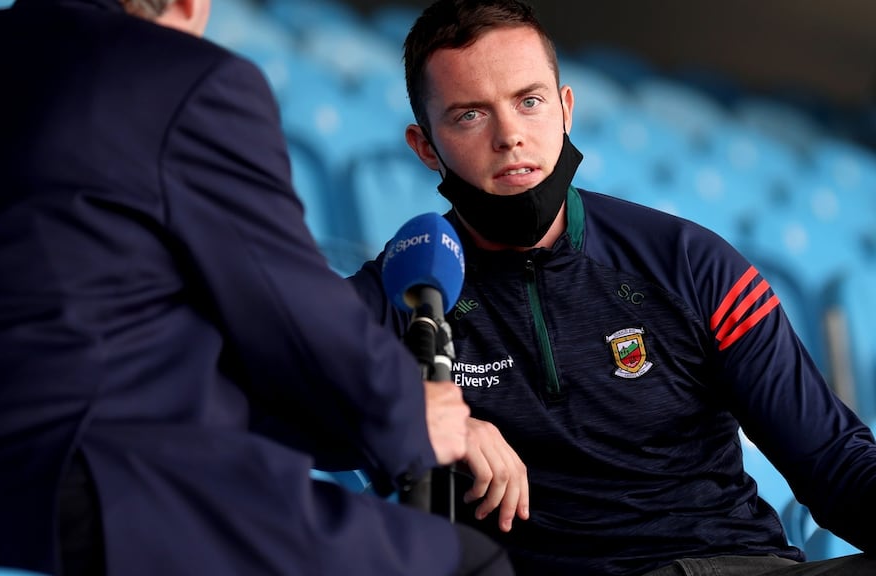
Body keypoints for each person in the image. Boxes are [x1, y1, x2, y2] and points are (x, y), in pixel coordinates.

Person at [0, 1, 515, 575]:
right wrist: (411, 411)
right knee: (469, 561)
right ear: (189, 3)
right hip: (98, 503)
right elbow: (294, 329)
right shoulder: (182, 78)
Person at [347, 1, 876, 575]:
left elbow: (832, 460)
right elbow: (283, 394)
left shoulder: (688, 261)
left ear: (566, 109)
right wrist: (418, 412)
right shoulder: (409, 286)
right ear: (426, 146)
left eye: (530, 102)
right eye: (470, 115)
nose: (510, 136)